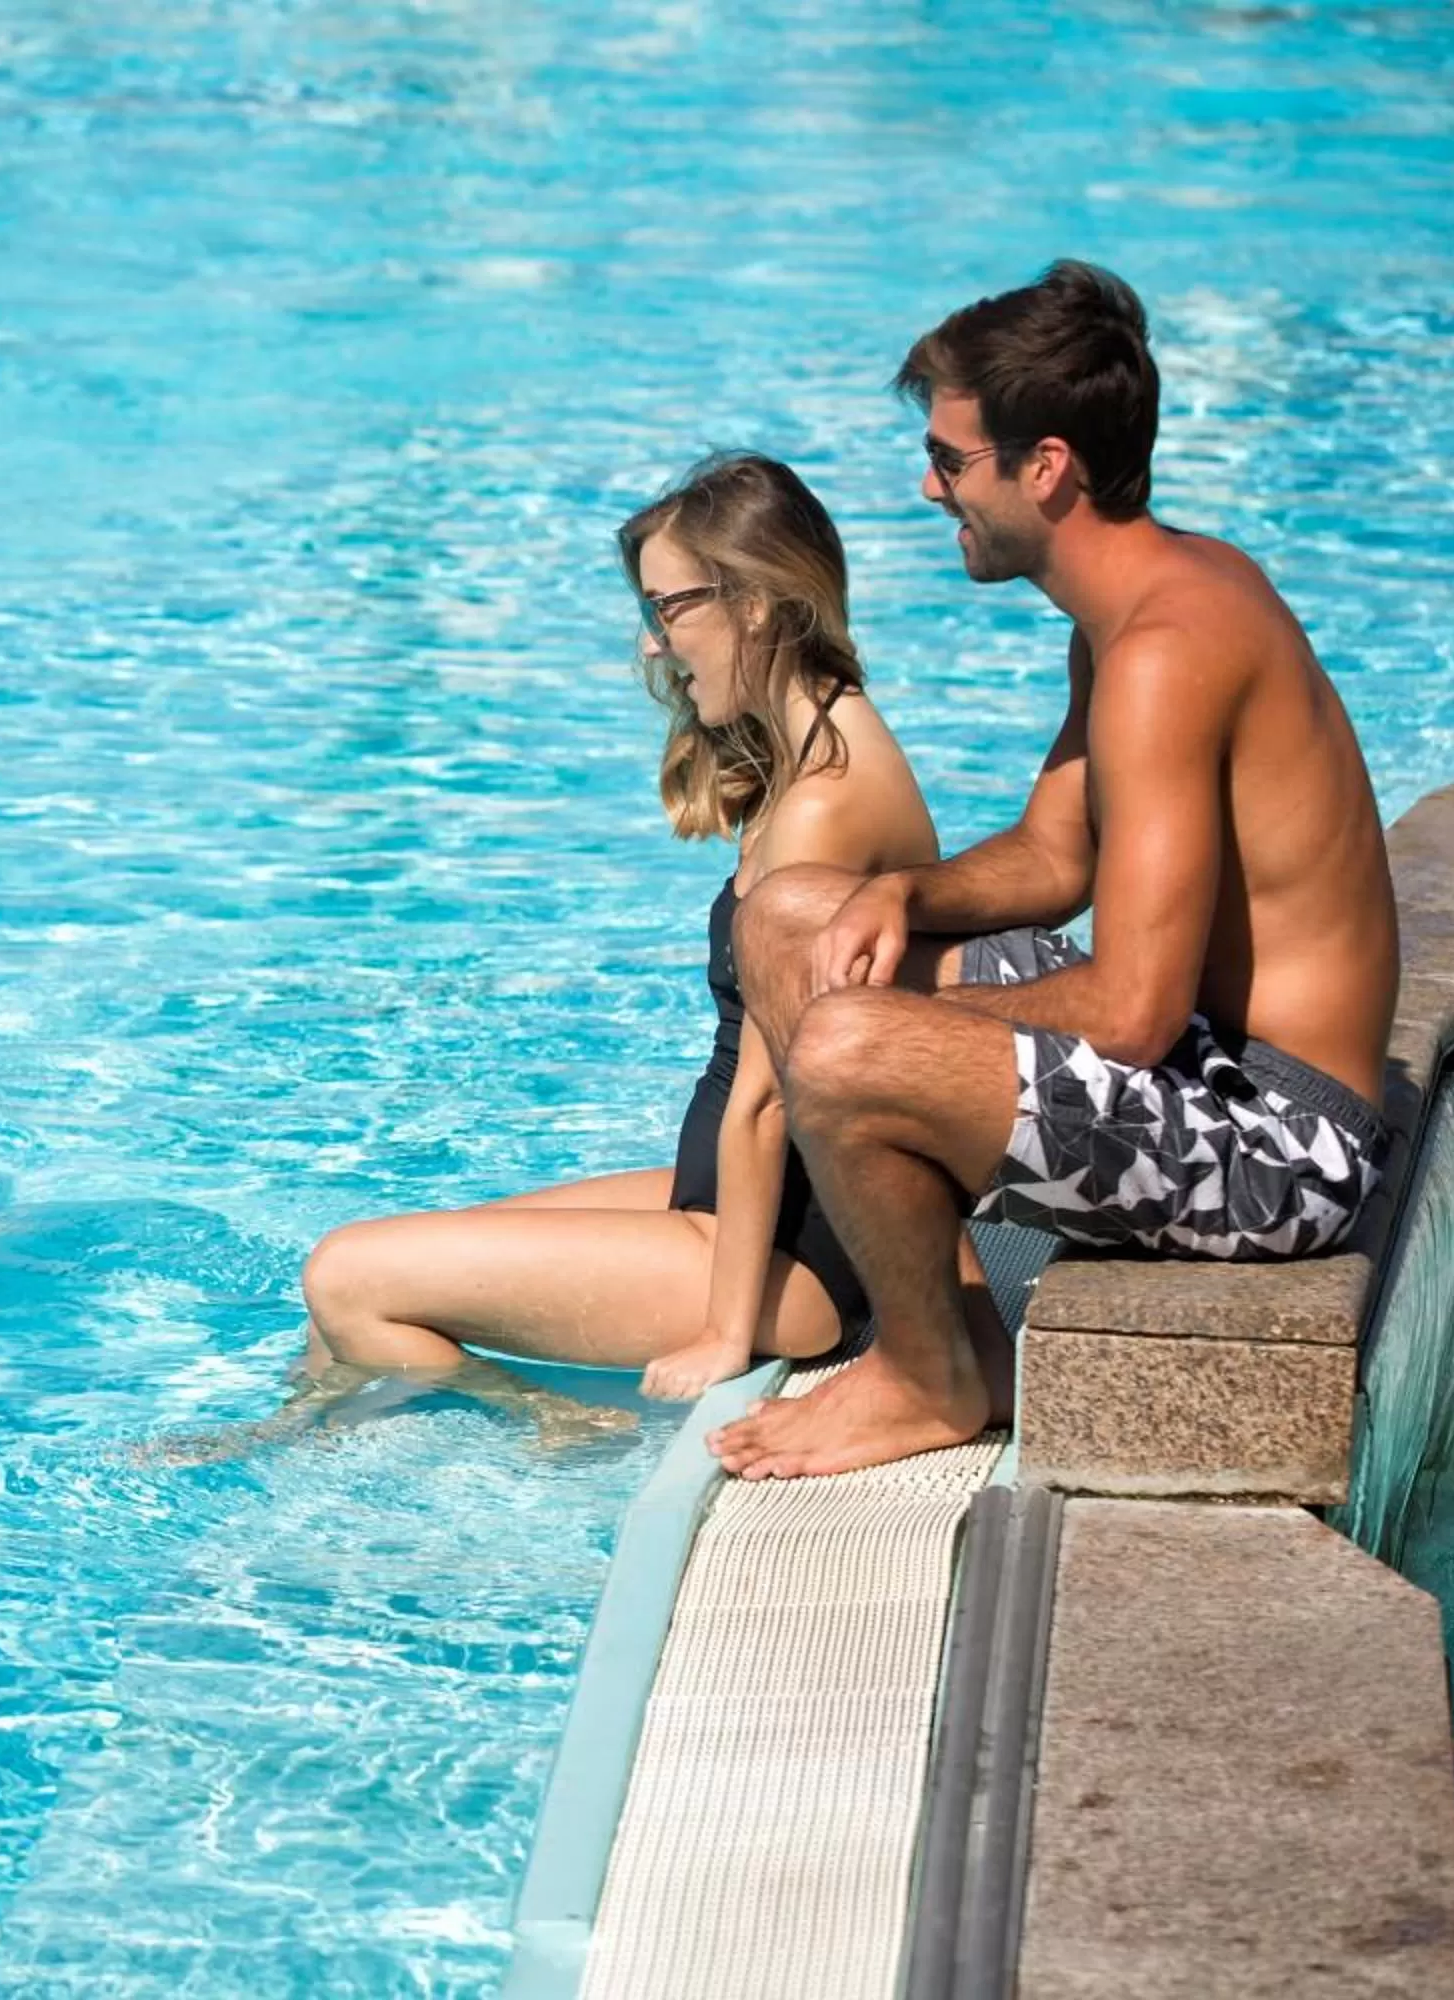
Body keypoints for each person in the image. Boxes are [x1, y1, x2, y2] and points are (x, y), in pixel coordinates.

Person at [710, 261, 1400, 1480]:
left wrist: (891, 1037)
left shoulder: (1167, 650)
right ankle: (954, 1325)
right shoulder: (1139, 608)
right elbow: (1054, 853)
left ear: (1046, 467)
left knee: (843, 1045)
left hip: (1282, 1145)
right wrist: (900, 896)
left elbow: (1129, 1012)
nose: (931, 489)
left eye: (953, 460)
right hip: (1202, 1060)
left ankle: (926, 1383)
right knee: (786, 919)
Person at [210, 451, 976, 1454]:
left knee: (350, 1272)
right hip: (746, 1209)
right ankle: (287, 1433)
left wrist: (723, 1327)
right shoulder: (816, 752)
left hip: (796, 1256)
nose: (656, 641)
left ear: (753, 601)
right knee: (381, 1282)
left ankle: (557, 1420)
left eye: (672, 607)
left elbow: (771, 1095)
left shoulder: (827, 801)